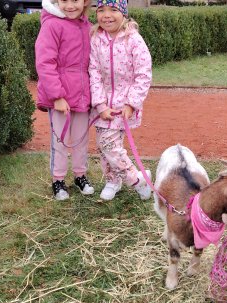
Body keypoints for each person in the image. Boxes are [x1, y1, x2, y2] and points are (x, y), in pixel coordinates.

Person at [89, 0, 153, 201]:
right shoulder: (96, 39)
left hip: (124, 106)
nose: (106, 15)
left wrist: (131, 103)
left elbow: (143, 74)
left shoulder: (134, 39)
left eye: (113, 10)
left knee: (110, 144)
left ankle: (135, 180)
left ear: (123, 13)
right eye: (101, 10)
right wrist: (100, 104)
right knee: (104, 145)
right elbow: (94, 72)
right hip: (103, 106)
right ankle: (116, 180)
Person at [34, 0, 94, 201]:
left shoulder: (86, 25)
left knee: (80, 139)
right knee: (59, 140)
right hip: (60, 98)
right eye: (64, 0)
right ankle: (58, 180)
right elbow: (44, 62)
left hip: (82, 94)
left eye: (75, 0)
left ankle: (80, 176)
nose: (70, 5)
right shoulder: (51, 25)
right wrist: (57, 96)